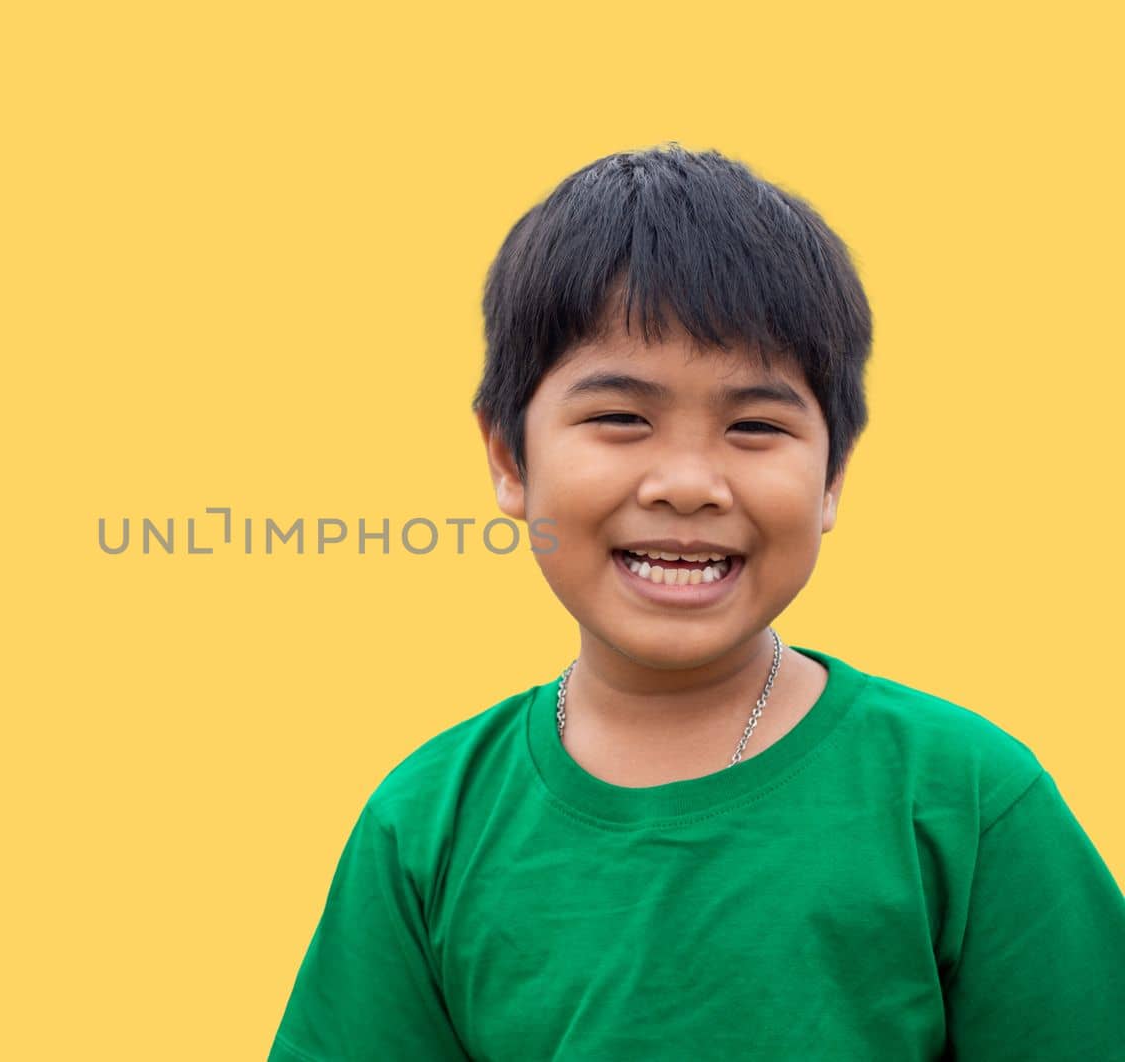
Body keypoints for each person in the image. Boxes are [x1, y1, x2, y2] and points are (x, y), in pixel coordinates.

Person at [266, 144, 1125, 1060]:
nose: (687, 484)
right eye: (620, 420)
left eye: (755, 427)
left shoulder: (968, 800)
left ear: (832, 477)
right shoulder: (427, 825)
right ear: (509, 459)